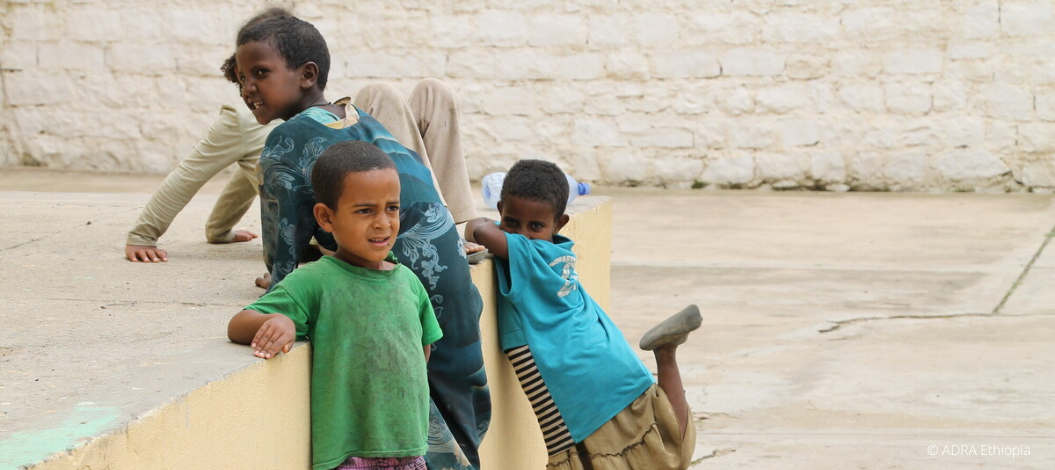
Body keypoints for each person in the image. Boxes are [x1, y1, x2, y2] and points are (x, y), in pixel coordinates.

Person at [234, 9, 488, 469]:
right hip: (449, 270)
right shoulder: (361, 117)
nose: (246, 87)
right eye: (241, 77)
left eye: (260, 74)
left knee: (422, 433)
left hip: (397, 279)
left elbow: (283, 258)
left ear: (307, 75)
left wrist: (282, 282)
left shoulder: (284, 141)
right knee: (454, 406)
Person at [464, 159, 702, 470]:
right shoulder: (558, 252)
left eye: (535, 226)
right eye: (512, 222)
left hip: (573, 376)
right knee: (671, 450)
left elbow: (477, 229)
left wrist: (488, 225)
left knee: (589, 460)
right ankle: (666, 355)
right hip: (609, 356)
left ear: (559, 223)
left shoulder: (527, 254)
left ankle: (666, 352)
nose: (521, 235)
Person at [228, 142, 441, 470]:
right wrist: (277, 322)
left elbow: (421, 351)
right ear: (326, 218)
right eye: (365, 210)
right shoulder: (315, 281)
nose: (383, 222)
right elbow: (240, 322)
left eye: (392, 208)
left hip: (409, 449)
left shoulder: (408, 282)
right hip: (347, 455)